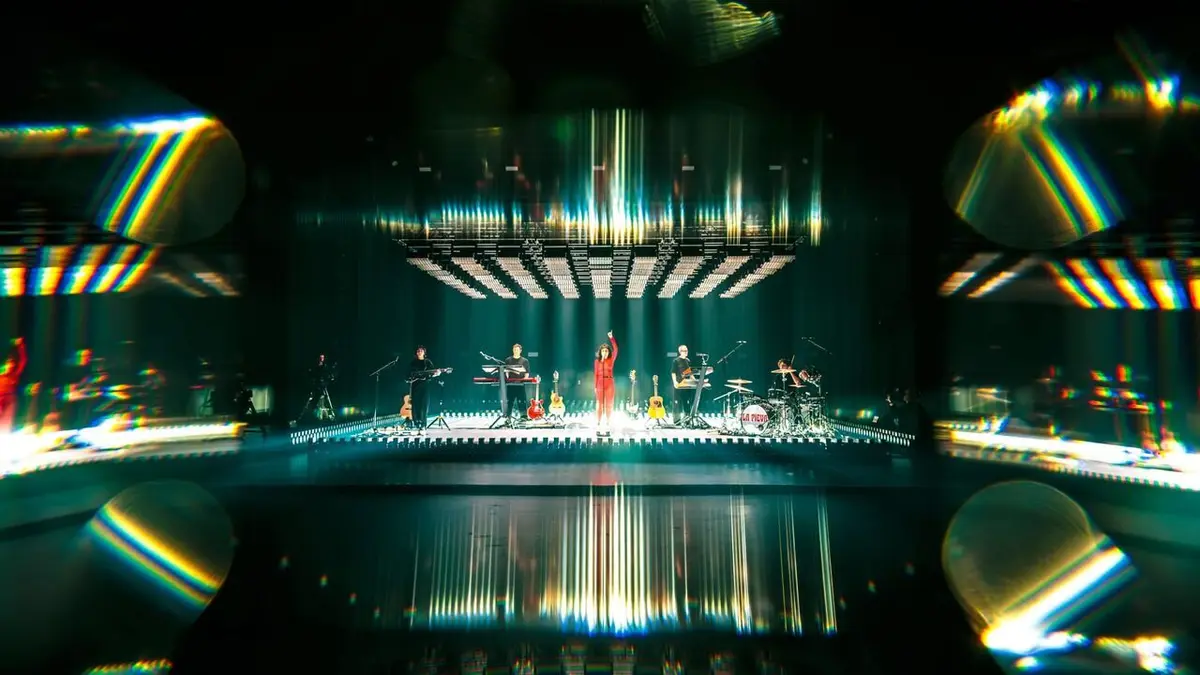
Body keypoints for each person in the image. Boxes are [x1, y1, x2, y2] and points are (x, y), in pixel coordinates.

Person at [0, 337, 27, 434]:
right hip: (1, 398)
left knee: (7, 420)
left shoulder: (13, 375)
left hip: (9, 399)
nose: (10, 366)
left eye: (12, 364)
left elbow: (23, 361)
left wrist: (21, 347)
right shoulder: (1, 375)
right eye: (8, 363)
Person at [593, 331, 618, 431]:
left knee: (609, 404)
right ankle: (598, 421)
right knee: (599, 404)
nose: (605, 352)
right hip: (600, 383)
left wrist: (611, 338)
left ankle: (608, 421)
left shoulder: (611, 360)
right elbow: (595, 374)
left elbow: (616, 349)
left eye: (606, 351)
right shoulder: (597, 362)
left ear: (608, 352)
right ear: (600, 352)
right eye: (603, 351)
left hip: (609, 383)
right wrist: (595, 386)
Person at [503, 343, 531, 420]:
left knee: (522, 401)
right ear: (513, 350)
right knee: (509, 402)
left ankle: (523, 417)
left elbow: (527, 373)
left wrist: (524, 381)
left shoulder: (525, 361)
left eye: (517, 350)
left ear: (520, 351)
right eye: (514, 349)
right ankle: (508, 418)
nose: (516, 351)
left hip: (520, 385)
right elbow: (506, 371)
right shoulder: (508, 360)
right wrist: (508, 380)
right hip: (511, 385)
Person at [408, 345, 432, 431]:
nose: (419, 352)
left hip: (424, 386)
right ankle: (416, 423)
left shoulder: (427, 362)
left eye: (421, 350)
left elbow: (431, 373)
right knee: (415, 405)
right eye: (418, 351)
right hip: (415, 386)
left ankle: (423, 424)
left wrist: (436, 373)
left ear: (424, 352)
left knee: (424, 405)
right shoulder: (413, 362)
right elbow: (409, 373)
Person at [669, 344, 691, 425]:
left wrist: (696, 381)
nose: (686, 352)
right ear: (680, 352)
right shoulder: (676, 361)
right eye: (684, 351)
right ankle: (677, 421)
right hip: (678, 384)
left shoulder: (688, 361)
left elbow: (690, 373)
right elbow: (673, 372)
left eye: (687, 350)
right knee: (677, 403)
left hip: (686, 384)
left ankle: (687, 420)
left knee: (687, 402)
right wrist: (675, 382)